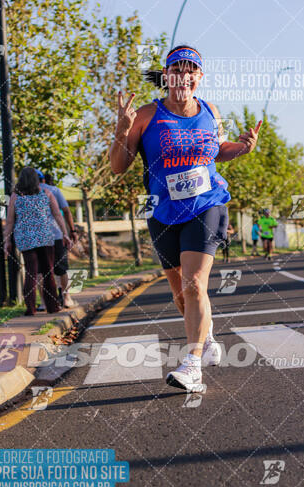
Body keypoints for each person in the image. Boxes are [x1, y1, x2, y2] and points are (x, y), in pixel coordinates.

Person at [109, 45, 261, 391]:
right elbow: (119, 167)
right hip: (162, 211)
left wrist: (244, 148)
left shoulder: (210, 110)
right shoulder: (147, 115)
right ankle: (205, 339)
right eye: (176, 69)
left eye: (191, 70)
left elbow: (217, 150)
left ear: (199, 78)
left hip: (207, 204)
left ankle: (192, 365)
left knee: (195, 284)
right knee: (181, 293)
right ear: (166, 77)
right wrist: (121, 129)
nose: (184, 75)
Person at [4, 166, 72, 315]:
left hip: (25, 239)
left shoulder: (15, 196)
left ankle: (31, 308)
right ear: (36, 179)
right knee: (48, 272)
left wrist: (7, 240)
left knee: (31, 272)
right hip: (45, 238)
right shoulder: (46, 193)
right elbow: (57, 215)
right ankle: (53, 307)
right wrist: (65, 233)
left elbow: (10, 221)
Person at [35, 170, 78, 309]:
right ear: (43, 180)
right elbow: (65, 211)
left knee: (41, 271)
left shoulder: (22, 193)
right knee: (61, 269)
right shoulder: (53, 190)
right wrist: (71, 231)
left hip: (37, 237)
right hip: (56, 235)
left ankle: (43, 303)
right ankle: (66, 298)